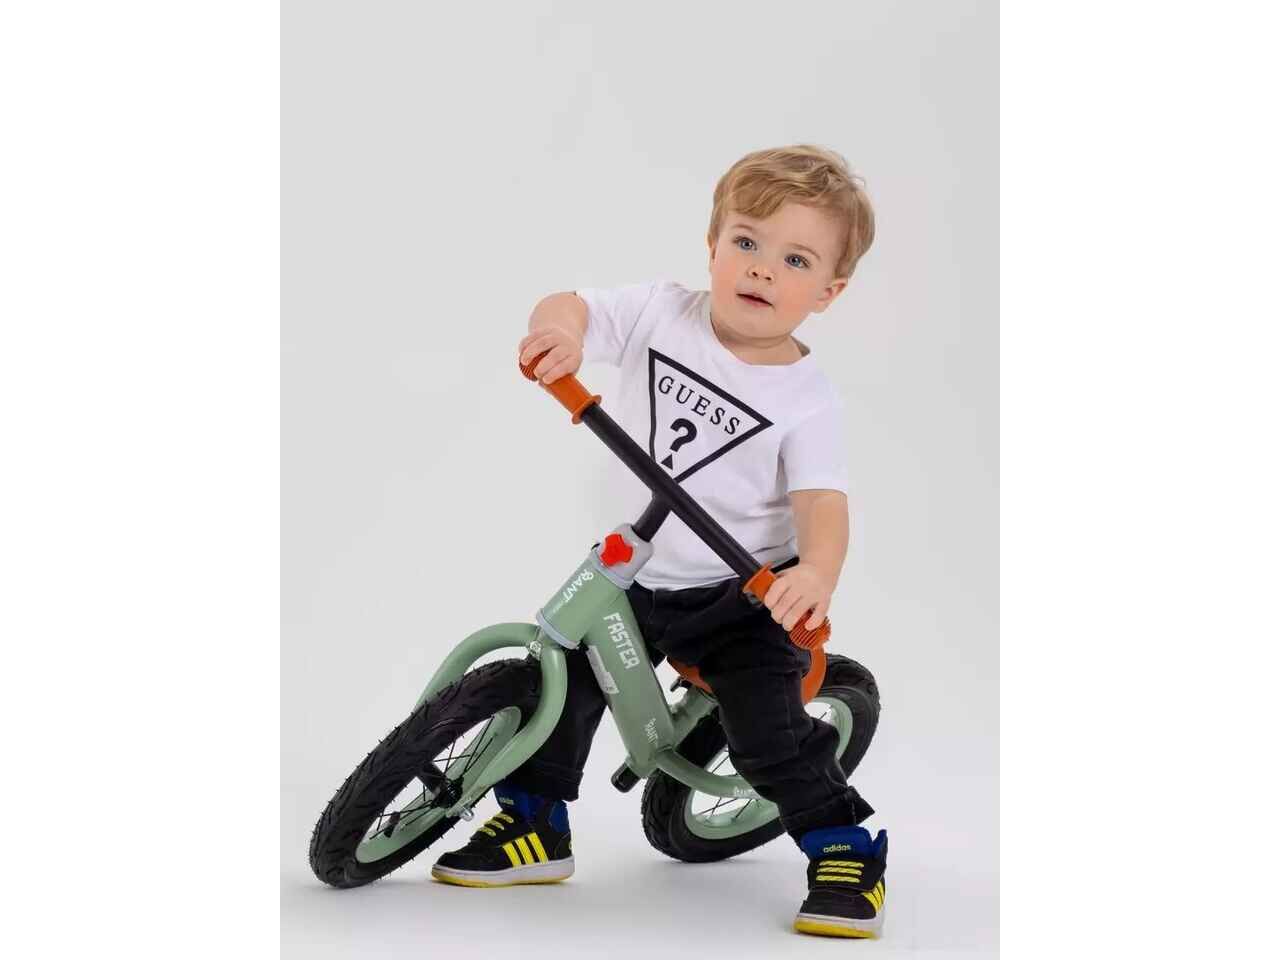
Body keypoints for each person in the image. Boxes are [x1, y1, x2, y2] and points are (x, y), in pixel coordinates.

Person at [431, 145, 888, 939]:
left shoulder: (807, 400)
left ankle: (842, 843)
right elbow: (572, 304)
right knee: (561, 678)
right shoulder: (660, 312)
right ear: (712, 245)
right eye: (745, 242)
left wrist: (816, 571)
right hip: (634, 572)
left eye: (796, 259)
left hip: (746, 600)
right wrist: (558, 334)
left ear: (829, 291)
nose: (762, 269)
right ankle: (536, 822)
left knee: (767, 736)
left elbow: (822, 502)